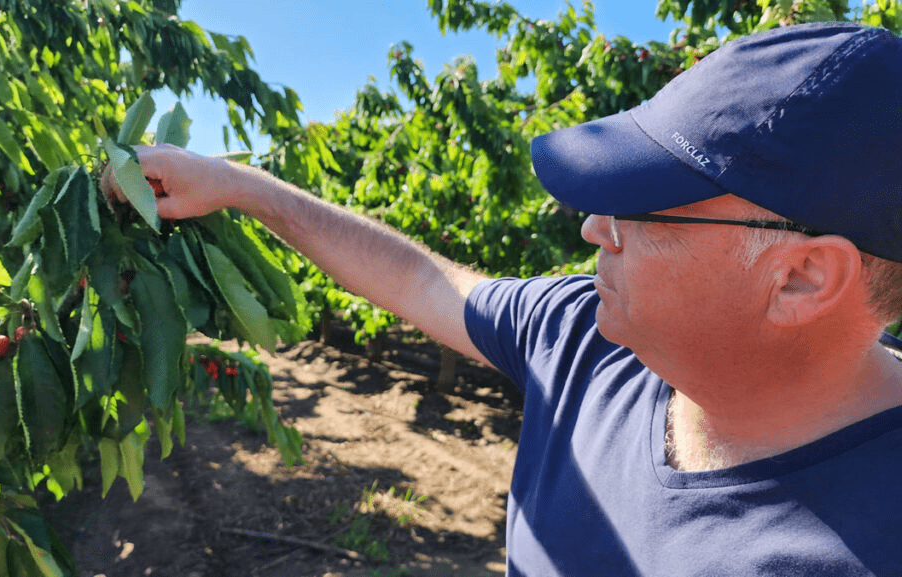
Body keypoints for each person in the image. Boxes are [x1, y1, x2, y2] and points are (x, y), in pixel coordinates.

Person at [102, 22, 902, 577]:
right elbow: (421, 279)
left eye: (642, 207)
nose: (593, 227)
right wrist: (240, 187)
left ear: (800, 277)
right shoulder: (588, 339)